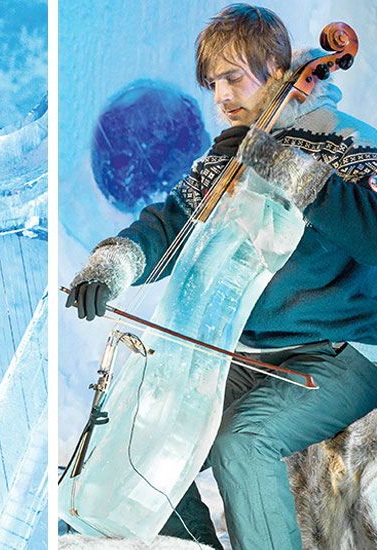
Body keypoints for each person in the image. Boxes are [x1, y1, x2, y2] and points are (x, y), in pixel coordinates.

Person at [66, 5, 377, 549]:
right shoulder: (233, 151)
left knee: (242, 441)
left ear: (280, 69)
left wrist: (278, 163)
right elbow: (169, 221)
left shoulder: (346, 139)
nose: (222, 97)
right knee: (136, 431)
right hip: (250, 354)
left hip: (340, 353)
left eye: (233, 77)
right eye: (213, 84)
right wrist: (112, 265)